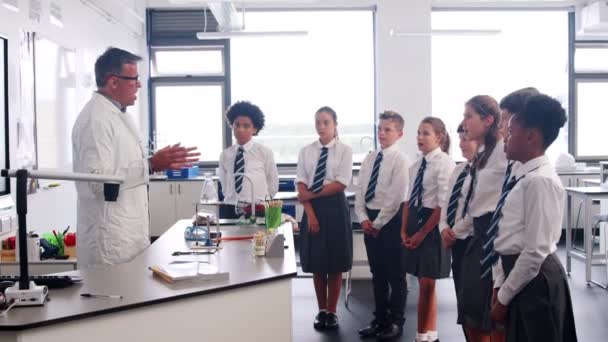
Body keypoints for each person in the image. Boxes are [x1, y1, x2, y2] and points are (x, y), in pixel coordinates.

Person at [72, 47, 199, 267]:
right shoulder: (96, 120)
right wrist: (150, 164)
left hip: (128, 235)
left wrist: (155, 163)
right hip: (109, 241)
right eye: (134, 79)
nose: (139, 85)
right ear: (113, 82)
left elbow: (125, 166)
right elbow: (97, 182)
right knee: (113, 299)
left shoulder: (120, 115)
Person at [490, 94, 578, 342]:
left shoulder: (540, 181)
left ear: (531, 136)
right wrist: (500, 282)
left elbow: (535, 251)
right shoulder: (521, 174)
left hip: (535, 280)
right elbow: (506, 235)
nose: (505, 138)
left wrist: (504, 297)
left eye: (510, 131)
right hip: (518, 274)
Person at [296, 106, 353, 331]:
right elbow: (301, 183)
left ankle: (332, 312)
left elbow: (341, 183)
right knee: (318, 264)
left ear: (335, 124)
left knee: (335, 262)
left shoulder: (344, 151)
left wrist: (311, 193)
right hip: (312, 208)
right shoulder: (306, 151)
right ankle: (321, 310)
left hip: (335, 207)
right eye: (318, 122)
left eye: (326, 122)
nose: (321, 126)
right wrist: (310, 214)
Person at [356, 111, 410, 340]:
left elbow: (396, 198)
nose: (382, 133)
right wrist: (363, 218)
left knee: (395, 275)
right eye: (380, 129)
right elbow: (360, 191)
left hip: (390, 220)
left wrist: (377, 223)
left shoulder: (401, 160)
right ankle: (379, 319)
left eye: (388, 129)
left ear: (399, 133)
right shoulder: (370, 158)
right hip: (370, 219)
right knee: (377, 273)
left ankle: (396, 321)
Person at [401, 116, 455, 342]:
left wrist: (422, 234)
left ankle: (421, 335)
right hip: (413, 222)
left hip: (431, 227)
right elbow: (407, 200)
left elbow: (443, 205)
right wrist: (404, 231)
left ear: (439, 137)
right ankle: (430, 334)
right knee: (424, 282)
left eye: (425, 133)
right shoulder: (415, 165)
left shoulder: (444, 163)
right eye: (418, 133)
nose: (419, 138)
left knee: (427, 284)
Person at [458, 95, 506, 342]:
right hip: (477, 236)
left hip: (494, 239)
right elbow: (474, 201)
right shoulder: (484, 152)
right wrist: (456, 230)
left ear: (488, 120)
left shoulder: (505, 153)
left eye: (468, 116)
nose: (464, 122)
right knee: (472, 314)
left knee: (491, 319)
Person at [439, 124, 478, 341]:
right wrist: (444, 228)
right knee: (463, 303)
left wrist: (452, 232)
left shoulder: (485, 172)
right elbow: (447, 203)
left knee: (474, 306)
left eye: (467, 139)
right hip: (456, 242)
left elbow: (476, 209)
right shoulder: (459, 169)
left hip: (472, 241)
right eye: (460, 139)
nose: (462, 144)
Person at [217, 101, 278, 219]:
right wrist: (233, 199)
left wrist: (261, 202)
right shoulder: (225, 155)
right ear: (231, 125)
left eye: (246, 126)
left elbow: (272, 183)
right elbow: (224, 184)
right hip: (231, 207)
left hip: (257, 207)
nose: (240, 129)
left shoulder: (264, 152)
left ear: (254, 129)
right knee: (230, 236)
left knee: (258, 237)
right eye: (237, 125)